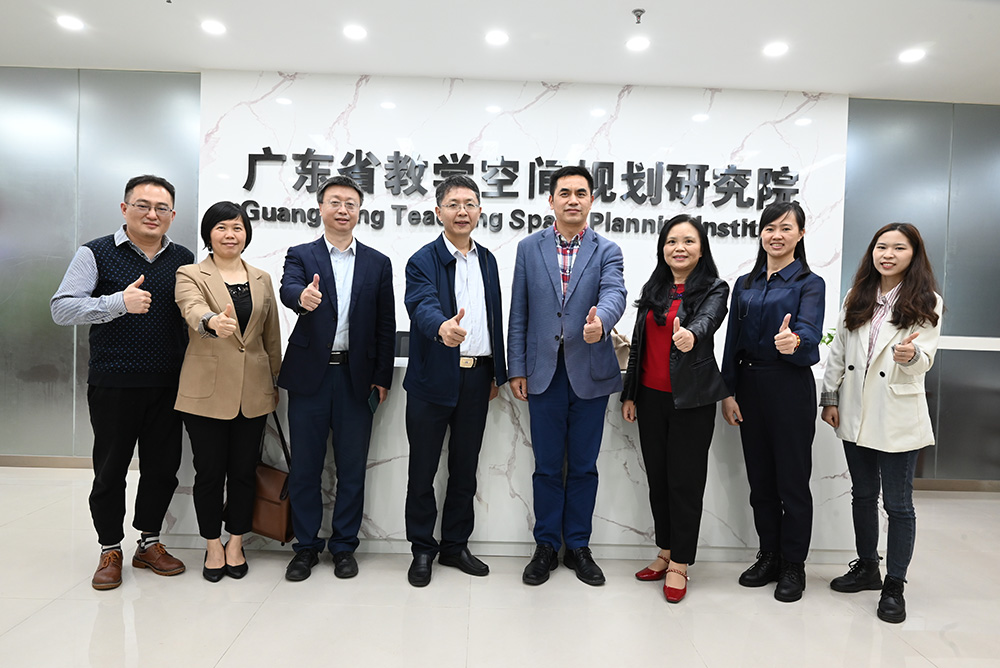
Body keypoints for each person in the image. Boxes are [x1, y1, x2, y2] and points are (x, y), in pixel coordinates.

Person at [50, 175, 193, 590]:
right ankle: (109, 548)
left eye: (161, 208)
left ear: (172, 215)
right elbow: (62, 309)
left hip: (168, 383)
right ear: (124, 208)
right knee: (111, 470)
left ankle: (149, 543)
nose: (152, 214)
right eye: (143, 205)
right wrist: (118, 303)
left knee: (162, 470)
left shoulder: (183, 258)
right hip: (114, 382)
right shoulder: (95, 253)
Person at [508, 165, 627, 586]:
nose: (572, 200)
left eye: (580, 193)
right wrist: (516, 368)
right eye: (565, 193)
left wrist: (602, 322)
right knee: (545, 466)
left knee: (582, 466)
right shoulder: (529, 248)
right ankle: (545, 545)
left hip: (590, 372)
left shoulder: (607, 249)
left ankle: (577, 546)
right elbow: (519, 311)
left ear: (591, 200)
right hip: (542, 374)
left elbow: (614, 293)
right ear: (551, 200)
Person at [820, 223, 942, 623]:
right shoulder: (857, 295)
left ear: (914, 254)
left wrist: (911, 357)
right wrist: (830, 397)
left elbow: (925, 358)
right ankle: (868, 567)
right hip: (855, 410)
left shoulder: (927, 300)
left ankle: (895, 584)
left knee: (898, 504)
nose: (887, 254)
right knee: (862, 494)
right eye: (881, 246)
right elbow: (839, 350)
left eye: (898, 248)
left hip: (896, 414)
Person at [278, 175, 395, 582]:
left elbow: (385, 324)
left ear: (359, 211)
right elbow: (289, 288)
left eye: (350, 203)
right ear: (321, 208)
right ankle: (306, 547)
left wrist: (382, 377)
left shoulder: (378, 263)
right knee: (305, 468)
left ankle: (344, 546)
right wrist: (302, 298)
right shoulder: (301, 254)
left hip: (355, 379)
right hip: (309, 377)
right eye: (335, 202)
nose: (343, 209)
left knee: (352, 468)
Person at [402, 175, 508, 587]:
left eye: (469, 204)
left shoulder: (488, 260)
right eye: (453, 204)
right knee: (423, 470)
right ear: (438, 212)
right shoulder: (422, 260)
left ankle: (454, 545)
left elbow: (495, 319)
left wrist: (496, 372)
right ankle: (421, 549)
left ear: (479, 211)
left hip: (477, 378)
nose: (462, 211)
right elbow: (421, 304)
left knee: (465, 468)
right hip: (432, 379)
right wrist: (441, 327)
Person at [620, 214, 729, 603]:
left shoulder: (714, 287)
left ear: (701, 249)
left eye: (688, 241)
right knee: (659, 480)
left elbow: (707, 321)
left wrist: (690, 336)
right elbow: (638, 346)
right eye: (671, 241)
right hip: (650, 399)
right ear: (662, 248)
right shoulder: (655, 288)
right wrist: (630, 394)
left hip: (691, 400)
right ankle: (665, 550)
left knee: (685, 483)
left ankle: (681, 562)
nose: (679, 248)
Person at [720, 200, 825, 603]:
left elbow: (810, 331)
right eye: (769, 228)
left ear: (801, 234)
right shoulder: (745, 283)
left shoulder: (809, 283)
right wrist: (728, 391)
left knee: (792, 482)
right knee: (761, 480)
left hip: (789, 385)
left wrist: (793, 341)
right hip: (749, 386)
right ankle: (769, 555)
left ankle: (794, 564)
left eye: (786, 228)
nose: (776, 235)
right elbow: (731, 342)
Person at [174, 201, 282, 582]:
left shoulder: (262, 278)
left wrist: (274, 379)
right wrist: (210, 321)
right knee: (208, 473)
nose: (230, 235)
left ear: (246, 234)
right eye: (221, 227)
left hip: (253, 392)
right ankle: (212, 544)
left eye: (237, 227)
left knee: (243, 473)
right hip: (205, 394)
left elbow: (271, 336)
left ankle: (236, 541)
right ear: (209, 233)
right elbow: (190, 308)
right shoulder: (190, 273)